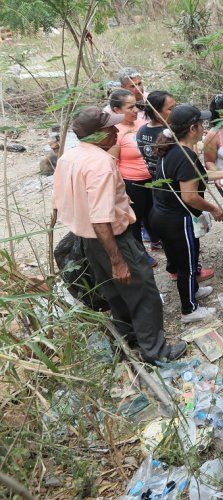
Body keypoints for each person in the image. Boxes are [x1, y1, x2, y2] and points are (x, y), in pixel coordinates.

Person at [52, 106, 186, 363]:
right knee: (143, 292)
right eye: (109, 128)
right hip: (113, 240)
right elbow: (101, 218)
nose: (116, 131)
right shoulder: (101, 164)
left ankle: (128, 341)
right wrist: (118, 260)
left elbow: (59, 203)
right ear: (96, 135)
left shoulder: (68, 158)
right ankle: (155, 351)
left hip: (88, 241)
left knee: (116, 293)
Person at [149, 104, 223, 324]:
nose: (204, 128)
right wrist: (214, 209)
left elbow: (191, 176)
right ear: (192, 128)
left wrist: (219, 173)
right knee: (187, 265)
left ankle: (193, 291)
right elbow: (189, 196)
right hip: (177, 219)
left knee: (184, 259)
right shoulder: (184, 155)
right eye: (201, 124)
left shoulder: (173, 147)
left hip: (161, 215)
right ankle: (189, 309)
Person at [108, 89, 158, 266]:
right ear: (116, 110)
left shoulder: (141, 124)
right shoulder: (114, 133)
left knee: (154, 214)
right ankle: (140, 253)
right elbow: (112, 165)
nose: (136, 110)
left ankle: (157, 241)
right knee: (136, 220)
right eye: (130, 107)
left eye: (136, 105)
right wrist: (121, 191)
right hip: (132, 183)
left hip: (153, 178)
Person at [136, 90, 176, 180]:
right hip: (174, 183)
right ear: (156, 112)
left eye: (175, 107)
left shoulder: (141, 130)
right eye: (170, 109)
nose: (175, 111)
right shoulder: (170, 133)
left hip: (156, 181)